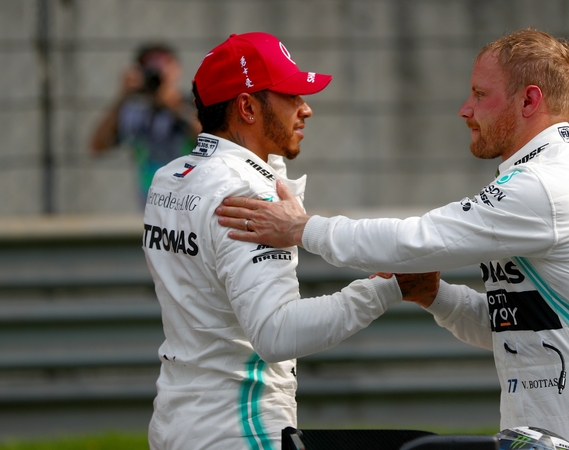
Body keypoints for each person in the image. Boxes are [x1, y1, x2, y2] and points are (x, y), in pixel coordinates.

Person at [215, 29, 569, 450]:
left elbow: (418, 240)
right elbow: (516, 328)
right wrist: (435, 296)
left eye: (480, 95)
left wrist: (303, 228)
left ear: (529, 100)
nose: (466, 109)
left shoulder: (543, 186)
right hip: (542, 427)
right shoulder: (545, 177)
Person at [143, 32, 438, 450]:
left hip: (174, 420)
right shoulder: (252, 199)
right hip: (239, 430)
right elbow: (276, 333)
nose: (306, 108)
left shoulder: (171, 178)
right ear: (247, 107)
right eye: (291, 95)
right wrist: (388, 287)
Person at [90, 42, 201, 204]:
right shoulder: (135, 112)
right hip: (151, 203)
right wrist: (123, 96)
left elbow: (210, 139)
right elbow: (97, 146)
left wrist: (173, 105)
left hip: (190, 201)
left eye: (163, 67)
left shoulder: (193, 105)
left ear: (177, 69)